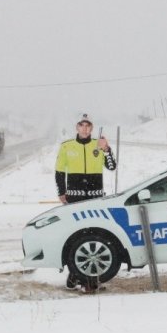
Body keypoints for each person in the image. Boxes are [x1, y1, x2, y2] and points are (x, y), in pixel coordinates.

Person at [55, 113, 117, 290]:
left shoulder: (98, 144)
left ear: (92, 128)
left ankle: (87, 278)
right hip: (74, 197)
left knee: (95, 235)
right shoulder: (67, 146)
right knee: (76, 235)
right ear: (77, 127)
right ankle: (76, 273)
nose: (85, 128)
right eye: (81, 125)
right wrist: (61, 192)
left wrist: (106, 150)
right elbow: (59, 171)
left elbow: (112, 166)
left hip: (95, 197)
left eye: (88, 126)